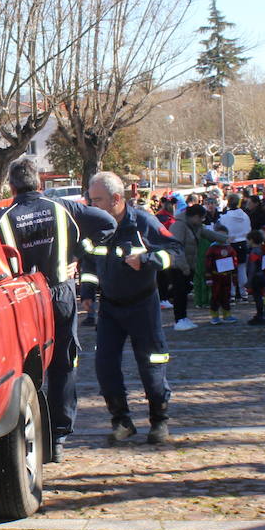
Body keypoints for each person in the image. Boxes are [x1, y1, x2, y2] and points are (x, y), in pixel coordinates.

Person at [0, 160, 116, 458]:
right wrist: (78, 251)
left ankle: (26, 436)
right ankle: (59, 438)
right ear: (39, 183)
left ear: (11, 186)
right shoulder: (62, 208)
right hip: (60, 292)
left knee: (23, 368)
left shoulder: (1, 218)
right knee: (62, 364)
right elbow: (108, 224)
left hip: (21, 298)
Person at [84, 171, 183, 446]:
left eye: (98, 200)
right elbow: (90, 262)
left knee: (152, 365)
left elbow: (176, 251)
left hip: (143, 305)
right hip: (109, 309)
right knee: (105, 366)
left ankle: (159, 421)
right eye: (91, 200)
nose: (92, 206)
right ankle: (121, 421)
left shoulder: (142, 222)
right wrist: (88, 292)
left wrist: (148, 259)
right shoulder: (96, 226)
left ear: (116, 199)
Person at [167, 202, 227, 331]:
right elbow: (176, 249)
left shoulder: (195, 226)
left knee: (184, 293)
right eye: (201, 217)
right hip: (178, 266)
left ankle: (184, 317)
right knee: (179, 293)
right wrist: (184, 267)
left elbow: (209, 234)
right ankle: (179, 319)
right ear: (194, 216)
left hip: (188, 265)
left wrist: (226, 239)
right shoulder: (179, 226)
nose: (202, 220)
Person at [219, 194, 252, 299]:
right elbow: (249, 230)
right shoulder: (245, 216)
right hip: (243, 243)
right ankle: (243, 292)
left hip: (230, 244)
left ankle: (231, 293)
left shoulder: (224, 217)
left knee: (229, 270)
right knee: (242, 269)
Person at [205, 227, 237, 324]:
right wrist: (208, 277)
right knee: (215, 295)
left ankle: (227, 314)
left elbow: (234, 262)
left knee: (226, 295)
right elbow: (208, 263)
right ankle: (214, 315)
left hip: (226, 276)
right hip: (216, 277)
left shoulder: (230, 248)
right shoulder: (212, 249)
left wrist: (235, 276)